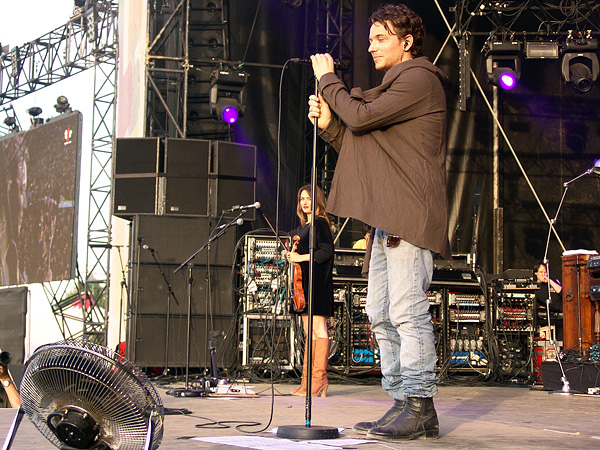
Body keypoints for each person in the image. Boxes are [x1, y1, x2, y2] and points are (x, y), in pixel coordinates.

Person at [308, 3, 450, 441]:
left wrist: (329, 80)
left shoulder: (420, 79)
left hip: (409, 213)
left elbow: (362, 117)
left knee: (407, 312)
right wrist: (331, 126)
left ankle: (422, 404)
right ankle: (402, 400)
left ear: (407, 42)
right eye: (369, 38)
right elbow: (362, 139)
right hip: (389, 219)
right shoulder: (393, 88)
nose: (370, 46)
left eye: (380, 38)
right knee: (380, 313)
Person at [286, 184, 334, 397]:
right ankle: (309, 381)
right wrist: (291, 256)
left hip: (318, 285)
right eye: (302, 198)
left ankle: (318, 380)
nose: (304, 202)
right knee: (309, 333)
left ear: (318, 200)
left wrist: (300, 257)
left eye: (308, 198)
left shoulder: (320, 223)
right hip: (305, 286)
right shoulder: (306, 226)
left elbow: (326, 251)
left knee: (318, 330)